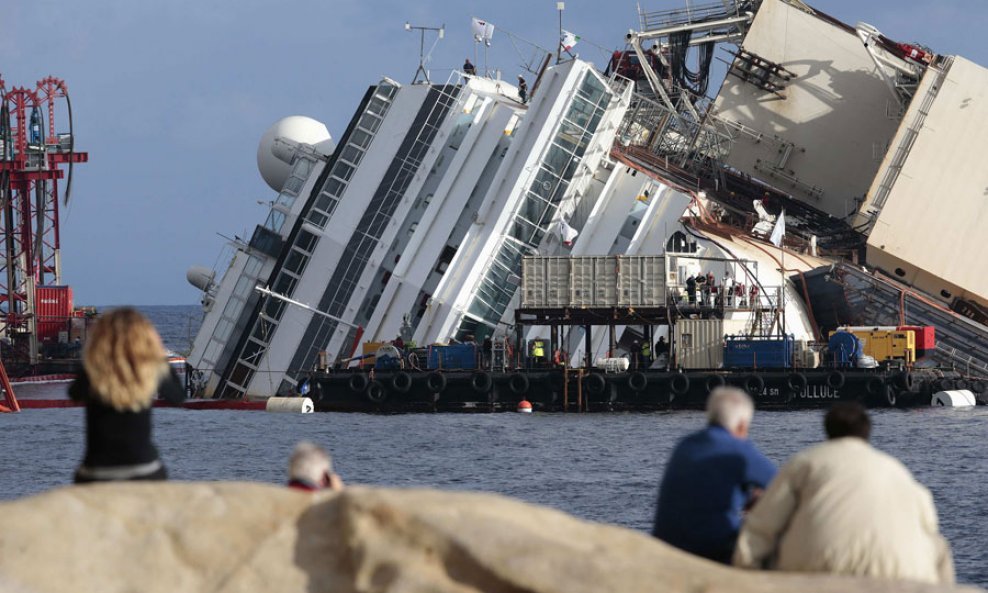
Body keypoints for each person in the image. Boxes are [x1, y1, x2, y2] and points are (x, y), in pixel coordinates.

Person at [733, 402, 954, 584]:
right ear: (868, 432)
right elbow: (930, 526)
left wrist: (745, 568)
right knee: (940, 547)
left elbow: (763, 523)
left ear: (827, 430)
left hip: (818, 567)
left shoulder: (805, 463)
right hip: (901, 571)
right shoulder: (896, 469)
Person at [652, 387, 776, 563]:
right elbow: (783, 483)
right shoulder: (738, 450)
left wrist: (746, 497)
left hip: (668, 545)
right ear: (741, 425)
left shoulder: (685, 445)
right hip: (713, 549)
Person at [69, 308, 184, 483]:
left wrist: (92, 356)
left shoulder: (94, 371)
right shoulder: (152, 371)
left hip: (97, 472)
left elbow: (74, 393)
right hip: (144, 469)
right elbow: (177, 397)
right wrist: (157, 353)